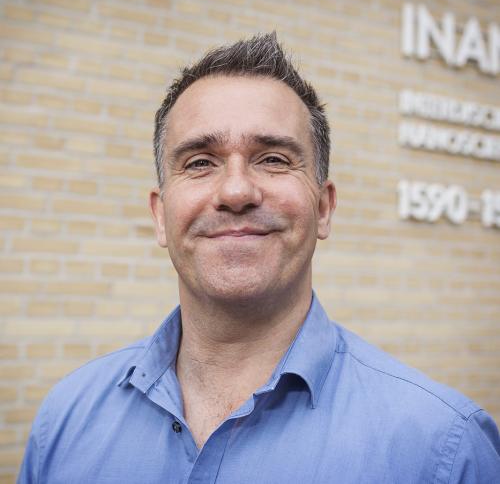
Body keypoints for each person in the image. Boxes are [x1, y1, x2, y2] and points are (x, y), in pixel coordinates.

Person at [18, 33, 499, 484]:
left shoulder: (444, 449)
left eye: (273, 159)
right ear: (161, 215)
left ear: (323, 208)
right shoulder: (64, 421)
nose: (235, 191)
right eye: (200, 162)